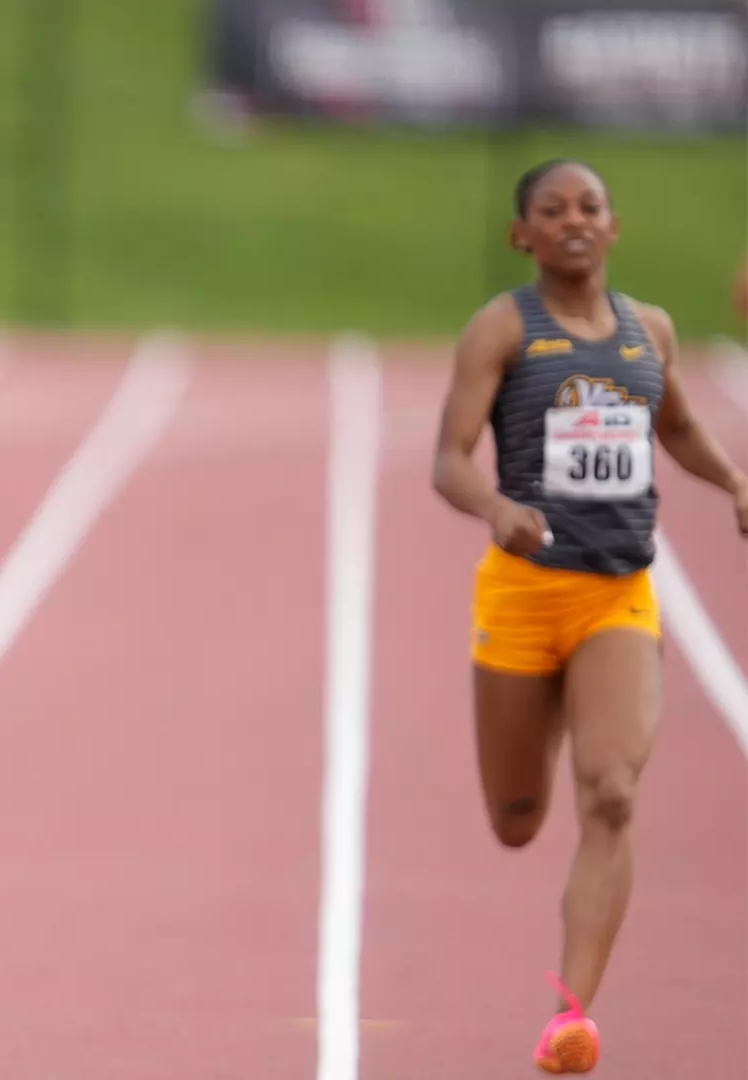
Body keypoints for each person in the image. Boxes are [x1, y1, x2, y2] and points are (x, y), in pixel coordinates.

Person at [431, 158, 748, 1074]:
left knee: (612, 794)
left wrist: (730, 478)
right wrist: (496, 510)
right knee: (517, 819)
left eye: (591, 206)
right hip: (525, 598)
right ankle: (550, 707)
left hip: (618, 593)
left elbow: (677, 426)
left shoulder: (651, 331)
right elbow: (449, 458)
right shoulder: (501, 329)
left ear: (613, 226)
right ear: (520, 235)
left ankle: (570, 1019)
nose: (574, 220)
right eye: (552, 209)